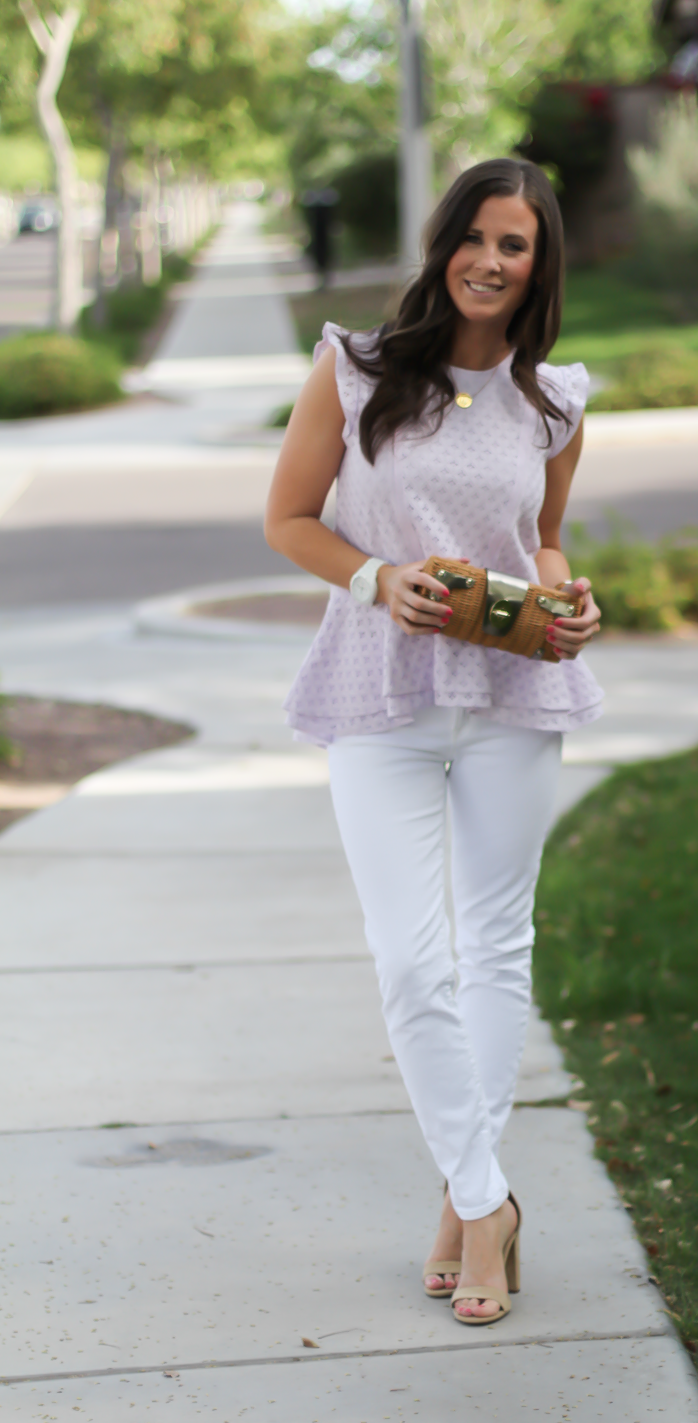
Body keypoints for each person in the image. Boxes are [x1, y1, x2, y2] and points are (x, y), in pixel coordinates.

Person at [264, 157, 603, 1326]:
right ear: (442, 241)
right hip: (379, 691)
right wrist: (375, 577)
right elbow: (288, 519)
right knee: (412, 961)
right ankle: (488, 1196)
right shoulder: (354, 370)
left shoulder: (554, 401)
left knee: (495, 948)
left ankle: (469, 1211)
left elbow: (545, 538)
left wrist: (568, 599)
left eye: (515, 245)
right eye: (476, 236)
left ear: (538, 264)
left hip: (512, 697)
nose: (491, 260)